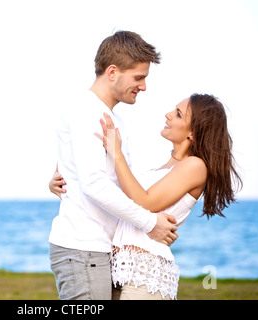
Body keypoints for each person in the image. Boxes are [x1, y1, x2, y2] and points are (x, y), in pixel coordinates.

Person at [50, 94, 242, 300]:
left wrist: (117, 153)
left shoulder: (195, 166)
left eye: (178, 114)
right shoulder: (165, 168)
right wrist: (62, 182)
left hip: (145, 276)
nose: (168, 115)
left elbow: (146, 202)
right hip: (120, 271)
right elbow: (116, 197)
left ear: (193, 132)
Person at [48, 31, 179, 300]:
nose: (143, 87)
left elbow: (97, 177)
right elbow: (94, 184)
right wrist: (149, 222)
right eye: (138, 77)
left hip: (100, 249)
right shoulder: (87, 111)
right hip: (83, 248)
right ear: (112, 72)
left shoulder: (110, 116)